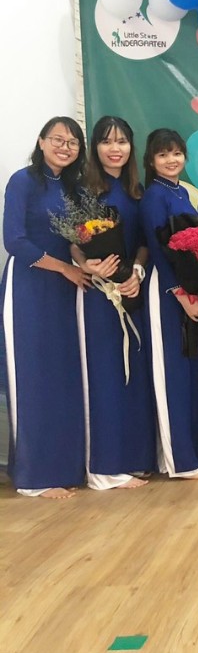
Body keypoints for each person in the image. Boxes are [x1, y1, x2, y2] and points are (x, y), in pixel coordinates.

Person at [1, 117, 89, 497]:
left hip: (67, 290)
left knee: (64, 378)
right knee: (33, 379)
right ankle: (33, 478)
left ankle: (64, 467)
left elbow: (76, 240)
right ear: (41, 141)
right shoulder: (23, 181)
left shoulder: (75, 189)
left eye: (72, 142)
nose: (65, 147)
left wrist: (84, 262)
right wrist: (65, 268)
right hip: (30, 288)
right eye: (58, 139)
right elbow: (14, 241)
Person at [74, 116, 155, 489]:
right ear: (95, 147)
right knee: (106, 374)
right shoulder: (83, 190)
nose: (115, 148)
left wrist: (136, 272)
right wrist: (86, 264)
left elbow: (143, 241)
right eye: (107, 142)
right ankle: (105, 467)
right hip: (97, 294)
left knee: (133, 375)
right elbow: (72, 242)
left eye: (122, 141)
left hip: (132, 291)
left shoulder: (138, 189)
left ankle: (135, 458)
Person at [140, 128, 198, 480]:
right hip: (166, 290)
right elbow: (159, 250)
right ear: (151, 160)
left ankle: (189, 455)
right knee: (171, 374)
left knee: (188, 376)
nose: (171, 160)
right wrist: (182, 296)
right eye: (162, 154)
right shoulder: (154, 196)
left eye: (176, 153)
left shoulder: (181, 192)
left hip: (189, 288)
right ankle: (180, 463)